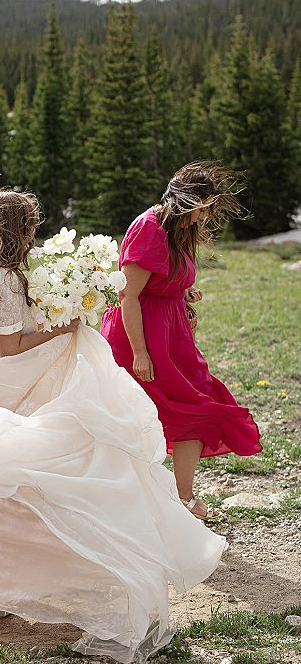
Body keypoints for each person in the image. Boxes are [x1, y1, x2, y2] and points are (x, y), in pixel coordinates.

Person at [0, 189, 226, 663]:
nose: (33, 235)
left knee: (13, 489)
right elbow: (11, 346)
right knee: (44, 481)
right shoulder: (3, 278)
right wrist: (66, 323)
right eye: (28, 227)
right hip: (17, 383)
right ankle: (58, 581)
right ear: (15, 230)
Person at [101, 162, 262, 521]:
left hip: (173, 338)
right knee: (135, 418)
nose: (205, 216)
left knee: (198, 410)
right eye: (202, 207)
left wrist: (184, 294)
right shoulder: (149, 228)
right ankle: (131, 500)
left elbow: (164, 281)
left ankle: (182, 498)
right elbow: (128, 296)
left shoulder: (179, 231)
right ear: (184, 202)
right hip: (137, 338)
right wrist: (140, 353)